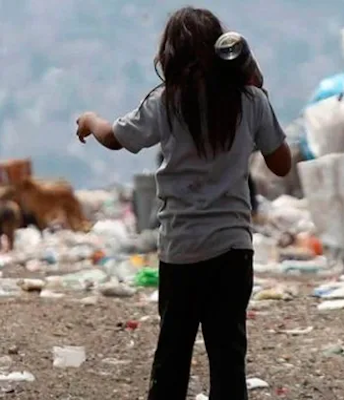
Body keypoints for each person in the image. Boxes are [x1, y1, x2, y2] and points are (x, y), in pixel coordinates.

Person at [75, 7, 292, 400]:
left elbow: (114, 138)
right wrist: (258, 85)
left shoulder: (166, 101)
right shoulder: (250, 100)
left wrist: (89, 119)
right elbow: (282, 164)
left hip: (181, 250)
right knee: (228, 361)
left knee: (172, 357)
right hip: (233, 249)